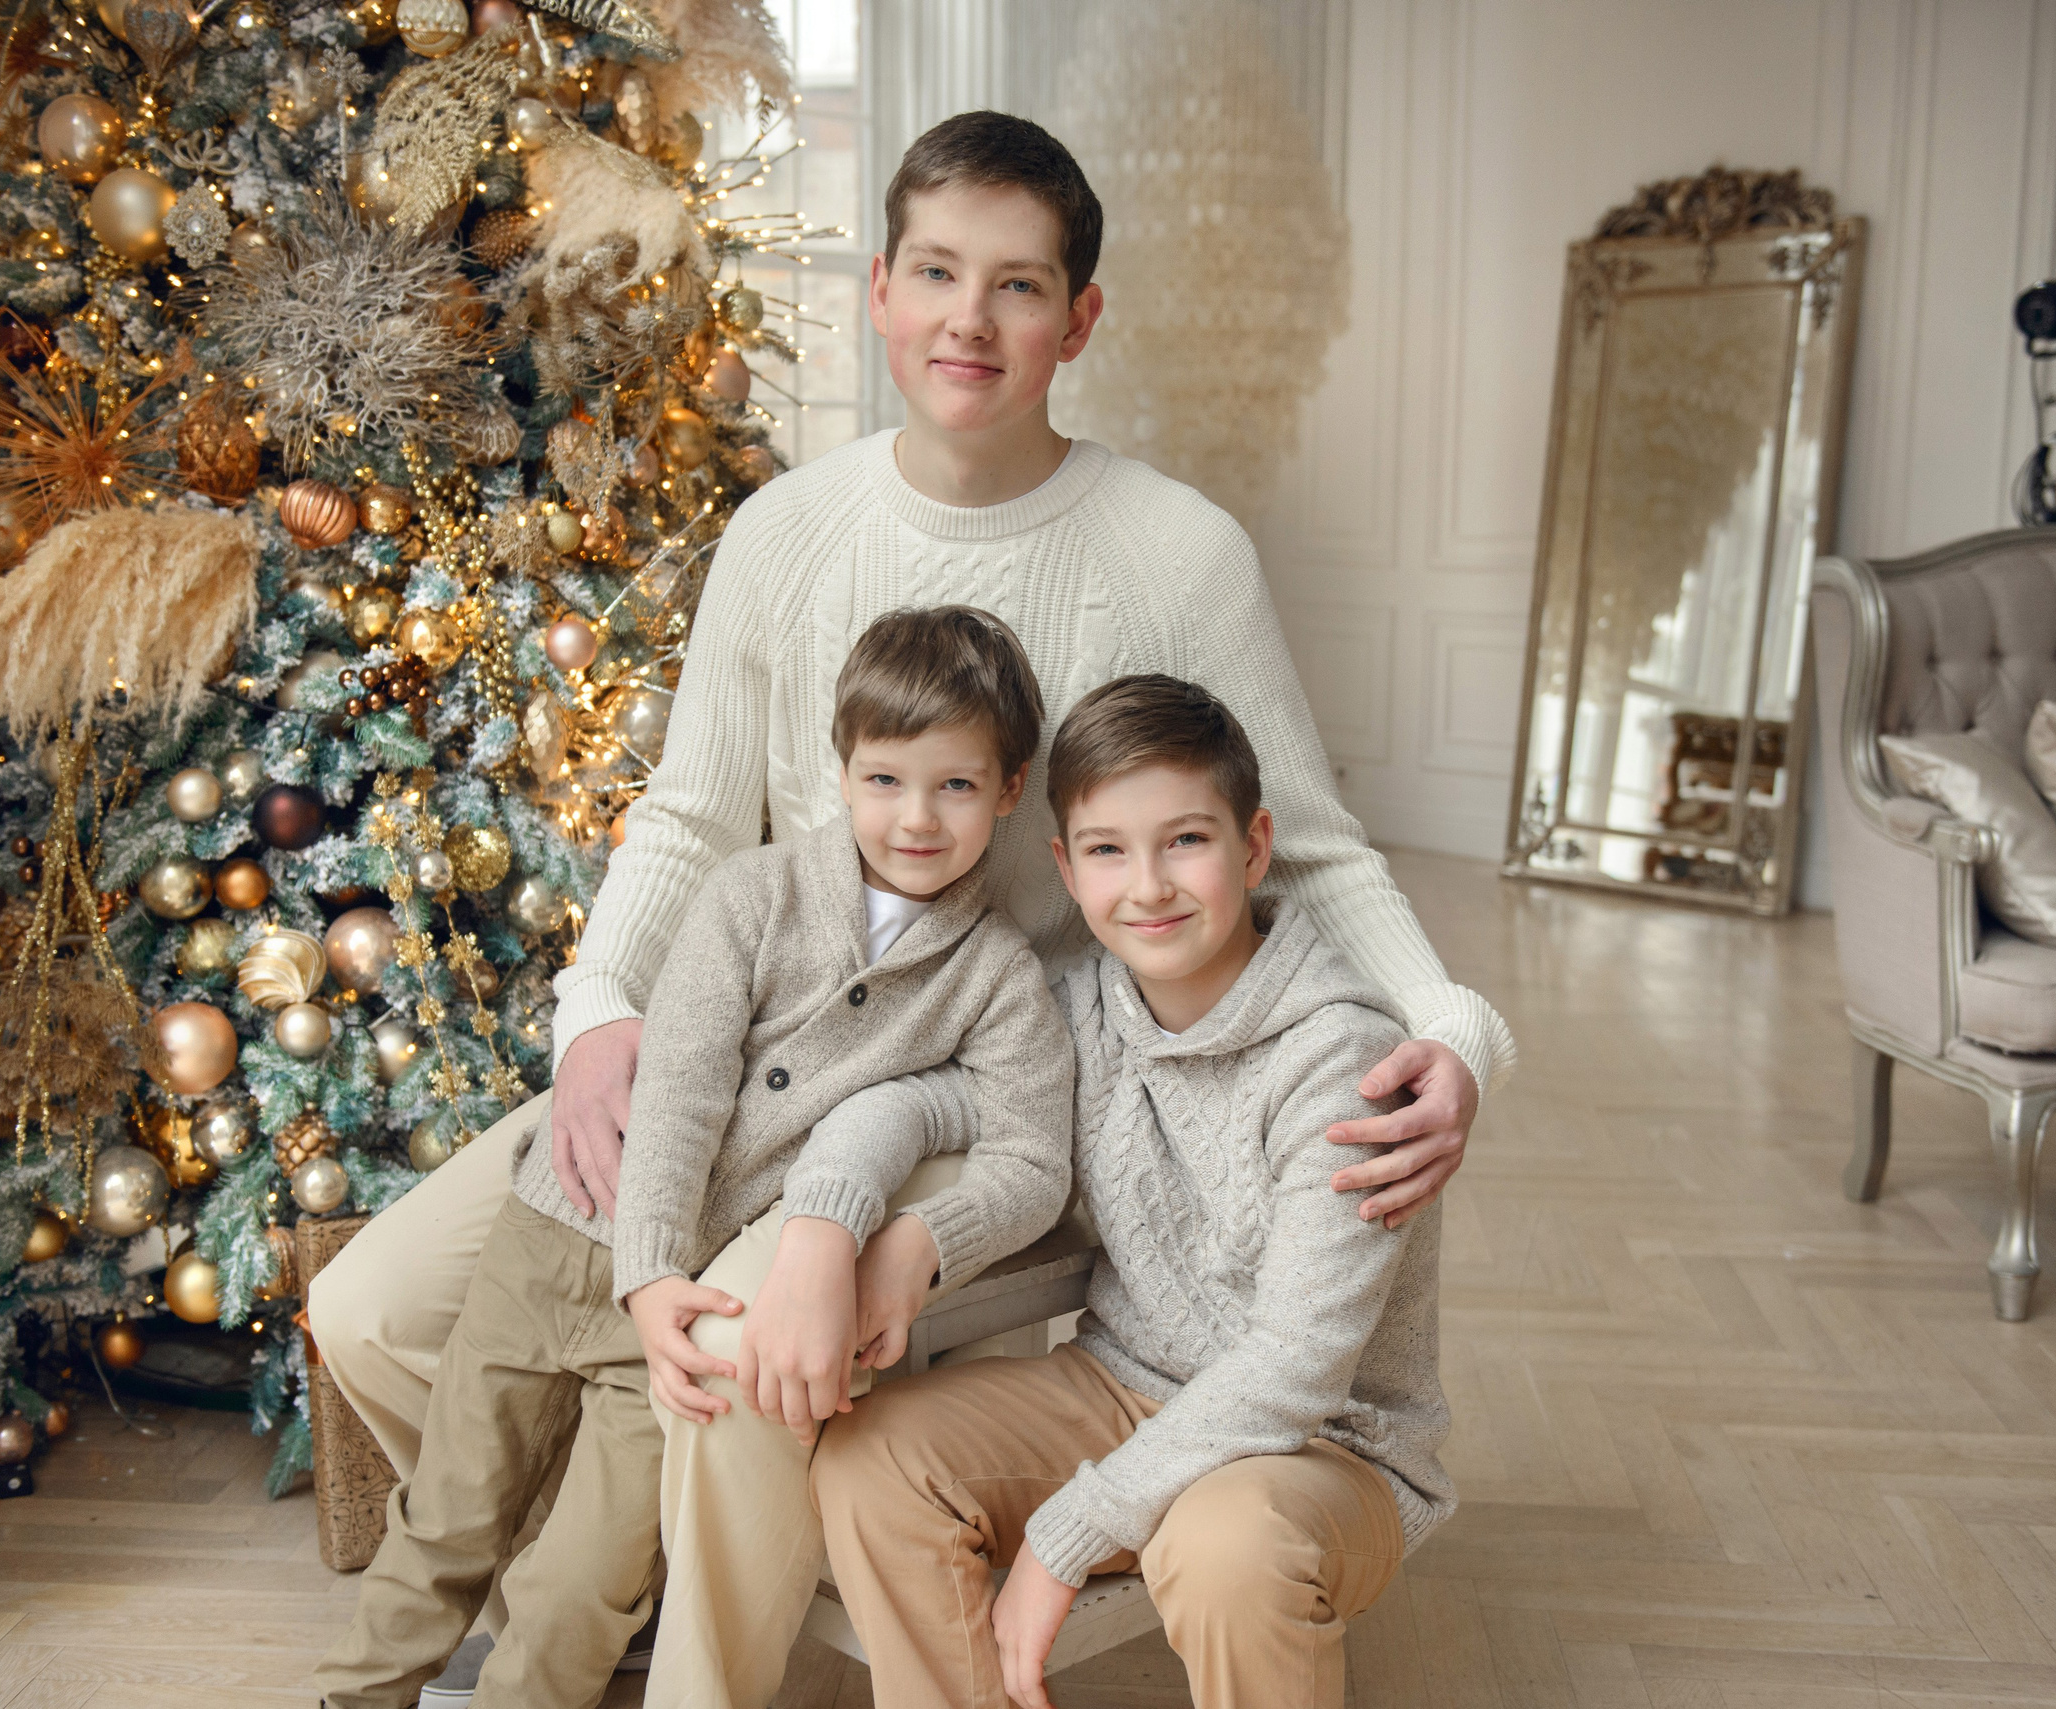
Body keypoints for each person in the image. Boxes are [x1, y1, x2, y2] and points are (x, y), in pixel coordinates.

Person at [307, 107, 1514, 1705]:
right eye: (937, 272)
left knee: (738, 1349)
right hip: (756, 1041)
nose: (970, 318)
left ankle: (622, 1624)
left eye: (1019, 286)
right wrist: (602, 1017)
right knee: (371, 1303)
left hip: (983, 1084)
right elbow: (687, 814)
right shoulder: (784, 534)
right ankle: (592, 1584)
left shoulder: (1179, 552)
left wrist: (1454, 1029)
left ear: (1078, 321)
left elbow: (1317, 848)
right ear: (878, 289)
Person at [310, 607, 1074, 1709]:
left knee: (589, 1578)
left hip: (666, 1328)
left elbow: (1033, 1160)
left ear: (1008, 791)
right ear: (843, 770)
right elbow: (675, 1083)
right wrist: (648, 1265)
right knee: (447, 1513)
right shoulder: (753, 895)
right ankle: (353, 1695)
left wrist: (917, 1241)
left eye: (954, 786)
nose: (915, 817)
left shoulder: (996, 975)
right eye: (885, 779)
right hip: (561, 1239)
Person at [812, 675, 1453, 1709]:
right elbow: (924, 1098)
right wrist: (850, 1222)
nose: (1147, 884)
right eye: (1109, 848)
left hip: (1323, 1448)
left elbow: (1293, 1369)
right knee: (870, 1456)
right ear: (1066, 868)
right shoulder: (1076, 1008)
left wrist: (1060, 1543)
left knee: (1224, 1541)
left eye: (1185, 840)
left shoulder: (1344, 1059)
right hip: (1120, 1388)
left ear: (1252, 846)